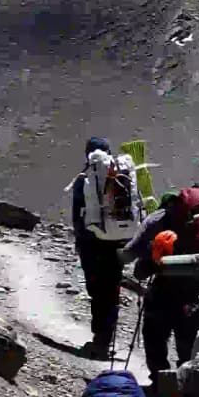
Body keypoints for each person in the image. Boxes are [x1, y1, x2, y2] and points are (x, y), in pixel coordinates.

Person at [134, 183, 199, 378]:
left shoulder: (168, 227)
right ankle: (187, 383)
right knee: (189, 343)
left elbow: (141, 270)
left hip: (164, 293)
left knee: (155, 336)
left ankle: (159, 379)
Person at [65, 140, 145, 360]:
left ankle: (100, 342)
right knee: (111, 292)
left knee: (97, 292)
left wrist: (81, 241)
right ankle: (105, 340)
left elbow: (78, 216)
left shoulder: (86, 180)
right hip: (117, 242)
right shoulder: (122, 177)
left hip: (91, 245)